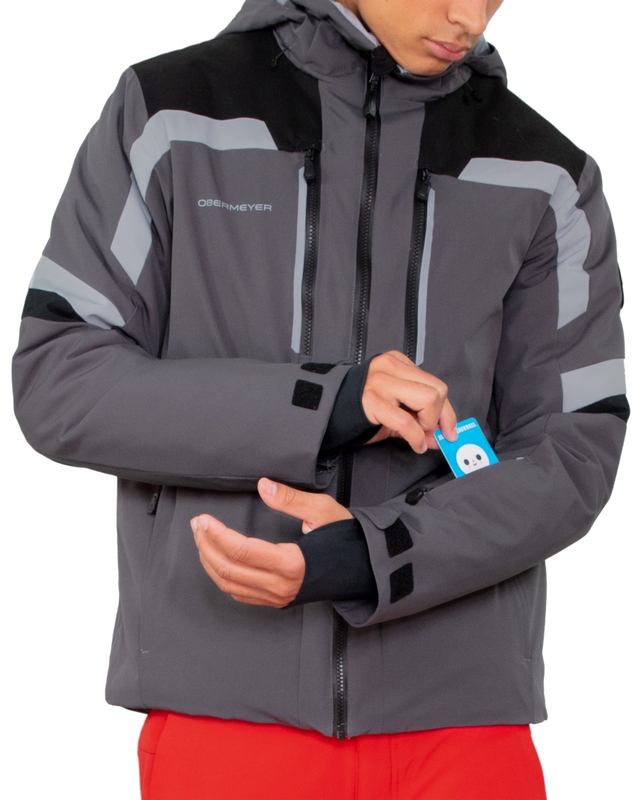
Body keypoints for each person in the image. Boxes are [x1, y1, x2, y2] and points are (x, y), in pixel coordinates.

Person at [10, 0, 629, 797]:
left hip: (462, 722)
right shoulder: (168, 113)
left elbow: (571, 456)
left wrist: (372, 556)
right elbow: (59, 381)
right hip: (228, 710)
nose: (469, 16)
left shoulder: (549, 173)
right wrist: (327, 404)